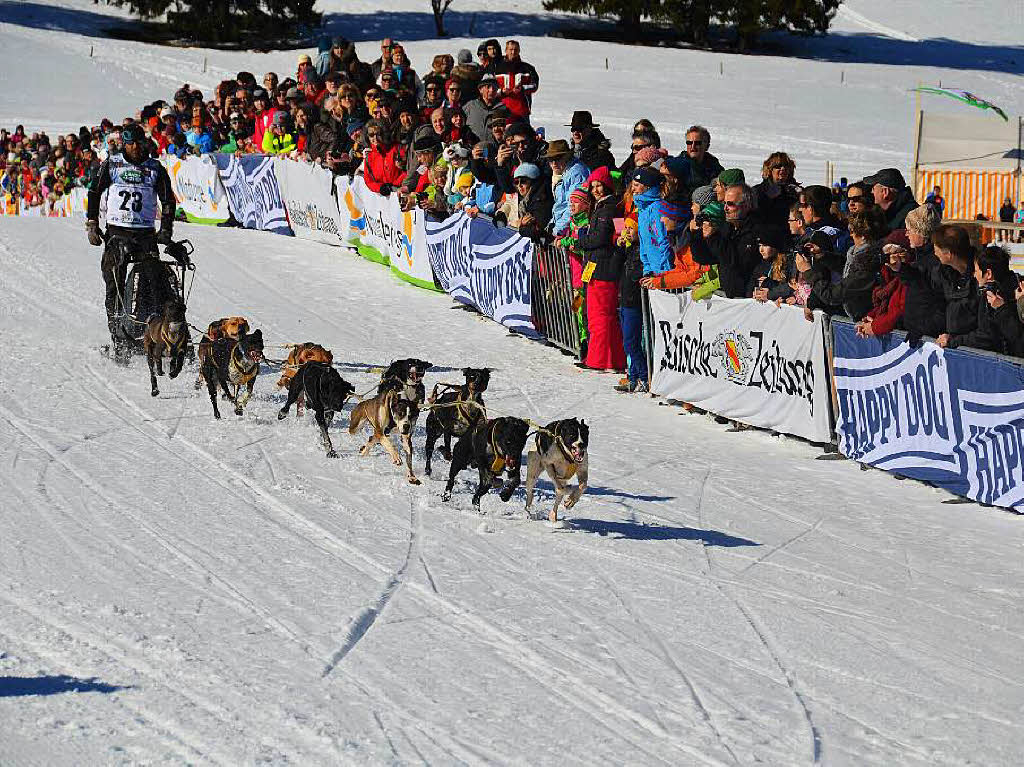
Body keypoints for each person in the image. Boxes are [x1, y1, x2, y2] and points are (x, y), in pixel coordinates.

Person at [86, 124, 181, 362]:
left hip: (145, 234)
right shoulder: (112, 164)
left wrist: (166, 228)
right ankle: (119, 339)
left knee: (154, 283)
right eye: (130, 143)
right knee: (114, 285)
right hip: (117, 232)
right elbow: (94, 192)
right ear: (124, 144)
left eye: (138, 142)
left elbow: (168, 200)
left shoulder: (155, 168)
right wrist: (91, 224)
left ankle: (159, 335)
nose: (135, 147)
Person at [576, 166, 627, 373]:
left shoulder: (608, 209)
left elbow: (599, 239)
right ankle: (610, 359)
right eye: (593, 186)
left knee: (600, 317)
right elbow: (619, 234)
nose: (596, 189)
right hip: (602, 267)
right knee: (603, 317)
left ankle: (599, 360)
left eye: (599, 185)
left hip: (603, 269)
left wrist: (581, 237)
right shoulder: (608, 207)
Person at [804, 207, 886, 320]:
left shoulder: (870, 261)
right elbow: (847, 267)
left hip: (866, 319)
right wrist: (821, 255)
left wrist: (808, 271)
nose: (851, 235)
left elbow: (833, 296)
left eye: (852, 231)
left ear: (863, 235)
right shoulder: (859, 255)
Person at [691, 183, 764, 298]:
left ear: (746, 206)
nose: (725, 208)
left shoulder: (757, 229)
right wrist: (698, 235)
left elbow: (733, 261)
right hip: (728, 295)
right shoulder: (727, 226)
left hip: (748, 297)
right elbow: (706, 258)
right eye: (724, 203)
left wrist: (713, 237)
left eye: (730, 204)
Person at [545, 139, 589, 236]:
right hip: (564, 228)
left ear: (567, 156)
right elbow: (561, 204)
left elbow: (573, 207)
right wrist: (552, 225)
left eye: (557, 158)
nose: (553, 163)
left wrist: (557, 231)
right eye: (550, 160)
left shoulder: (577, 173)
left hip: (573, 231)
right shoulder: (565, 172)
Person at [754, 152, 801, 230]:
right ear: (770, 169)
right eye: (778, 166)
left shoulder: (797, 192)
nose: (783, 169)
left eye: (786, 166)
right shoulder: (758, 192)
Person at [494, 40, 539, 121]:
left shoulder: (528, 68)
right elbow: (490, 88)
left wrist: (522, 89)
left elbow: (534, 85)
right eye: (510, 49)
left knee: (523, 133)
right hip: (501, 110)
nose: (513, 52)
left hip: (522, 110)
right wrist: (501, 92)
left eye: (516, 50)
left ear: (519, 51)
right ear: (506, 50)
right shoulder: (496, 68)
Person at [864, 167, 918, 232]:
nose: (872, 192)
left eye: (873, 188)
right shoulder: (893, 212)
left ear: (885, 192)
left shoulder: (911, 217)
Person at [510, 162, 552, 241]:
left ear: (533, 182)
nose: (519, 185)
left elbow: (539, 229)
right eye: (516, 182)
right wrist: (520, 224)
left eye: (523, 181)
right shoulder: (524, 200)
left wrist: (521, 227)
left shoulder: (541, 200)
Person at [675, 125, 723, 193]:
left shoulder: (714, 167)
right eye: (689, 143)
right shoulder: (677, 165)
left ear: (707, 146)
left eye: (697, 143)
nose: (693, 146)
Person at [362, 120, 406, 194]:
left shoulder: (396, 149)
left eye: (378, 134)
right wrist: (380, 187)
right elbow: (368, 181)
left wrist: (394, 185)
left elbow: (408, 170)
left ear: (384, 134)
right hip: (384, 200)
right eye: (371, 135)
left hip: (400, 191)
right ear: (367, 137)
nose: (375, 138)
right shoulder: (368, 157)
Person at [463, 74, 505, 143]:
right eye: (488, 87)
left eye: (494, 87)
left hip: (494, 150)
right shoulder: (470, 106)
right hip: (474, 149)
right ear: (480, 90)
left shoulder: (503, 108)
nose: (491, 90)